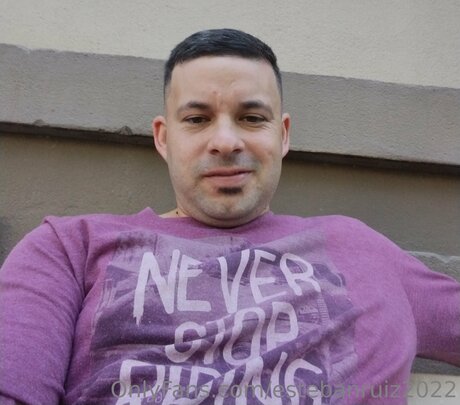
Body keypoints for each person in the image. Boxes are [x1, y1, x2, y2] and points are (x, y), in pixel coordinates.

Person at [0, 28, 458, 405]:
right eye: (197, 119)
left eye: (251, 118)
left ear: (282, 135)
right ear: (163, 138)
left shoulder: (361, 249)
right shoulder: (69, 248)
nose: (225, 141)